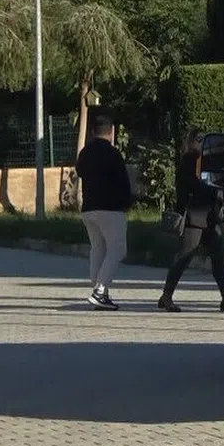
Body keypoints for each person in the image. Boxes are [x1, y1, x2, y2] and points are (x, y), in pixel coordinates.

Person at [158, 129, 224, 312]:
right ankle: (166, 296)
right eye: (199, 139)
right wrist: (216, 193)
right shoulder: (189, 160)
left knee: (218, 258)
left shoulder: (206, 160)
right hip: (195, 216)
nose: (202, 143)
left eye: (204, 140)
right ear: (191, 141)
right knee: (184, 257)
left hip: (209, 217)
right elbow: (194, 185)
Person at [75, 116, 132, 311]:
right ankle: (99, 291)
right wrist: (127, 203)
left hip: (89, 208)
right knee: (117, 250)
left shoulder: (84, 153)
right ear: (111, 131)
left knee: (97, 249)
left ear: (92, 131)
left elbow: (80, 172)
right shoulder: (113, 153)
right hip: (111, 209)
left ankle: (100, 293)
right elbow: (123, 182)